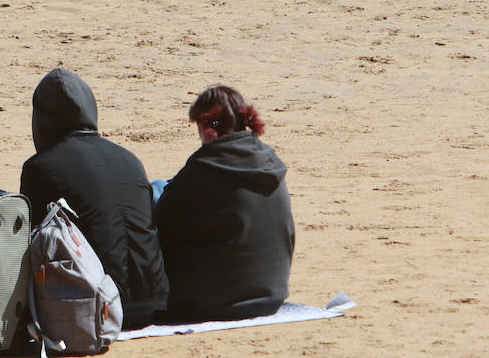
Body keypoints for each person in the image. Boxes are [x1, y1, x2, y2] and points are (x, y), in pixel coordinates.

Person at [20, 68, 169, 329]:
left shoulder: (41, 167)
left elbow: (29, 244)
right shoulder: (129, 159)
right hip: (150, 303)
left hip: (95, 307)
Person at [153, 85, 294, 322]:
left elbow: (164, 227)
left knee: (155, 190)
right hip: (272, 294)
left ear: (207, 129)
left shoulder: (205, 166)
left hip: (214, 302)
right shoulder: (269, 162)